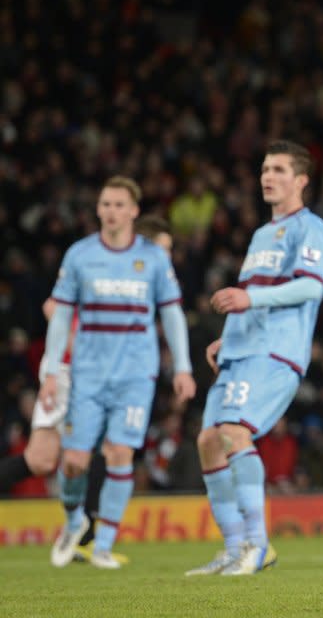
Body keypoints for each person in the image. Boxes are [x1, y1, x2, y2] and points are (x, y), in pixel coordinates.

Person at [186, 139, 323, 576]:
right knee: (208, 441)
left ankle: (257, 544)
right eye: (265, 169)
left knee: (234, 432)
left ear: (301, 180)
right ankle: (234, 547)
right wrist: (226, 340)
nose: (268, 176)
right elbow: (250, 298)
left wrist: (249, 300)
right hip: (242, 351)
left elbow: (311, 287)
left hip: (275, 351)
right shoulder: (261, 235)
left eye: (279, 170)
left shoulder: (311, 229)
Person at [0, 215, 176, 567]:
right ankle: (87, 534)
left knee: (106, 450)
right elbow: (54, 306)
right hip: (68, 372)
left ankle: (88, 537)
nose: (167, 259)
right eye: (163, 250)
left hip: (106, 377)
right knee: (41, 460)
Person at [39, 177, 195, 569]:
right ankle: (75, 522)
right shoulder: (80, 255)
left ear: (133, 211)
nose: (111, 211)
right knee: (74, 461)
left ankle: (104, 544)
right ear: (98, 209)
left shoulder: (154, 259)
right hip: (88, 374)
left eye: (119, 205)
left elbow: (172, 312)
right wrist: (53, 369)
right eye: (105, 204)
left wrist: (183, 367)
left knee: (120, 453)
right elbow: (60, 316)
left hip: (134, 375)